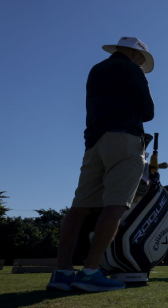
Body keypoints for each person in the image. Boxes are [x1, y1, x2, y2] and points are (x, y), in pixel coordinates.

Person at [46, 37, 155, 292]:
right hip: (125, 139)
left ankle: (62, 273)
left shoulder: (96, 69)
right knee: (115, 205)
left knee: (79, 207)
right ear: (135, 54)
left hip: (94, 141)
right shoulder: (133, 69)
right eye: (140, 56)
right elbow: (149, 112)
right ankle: (89, 273)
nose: (140, 61)